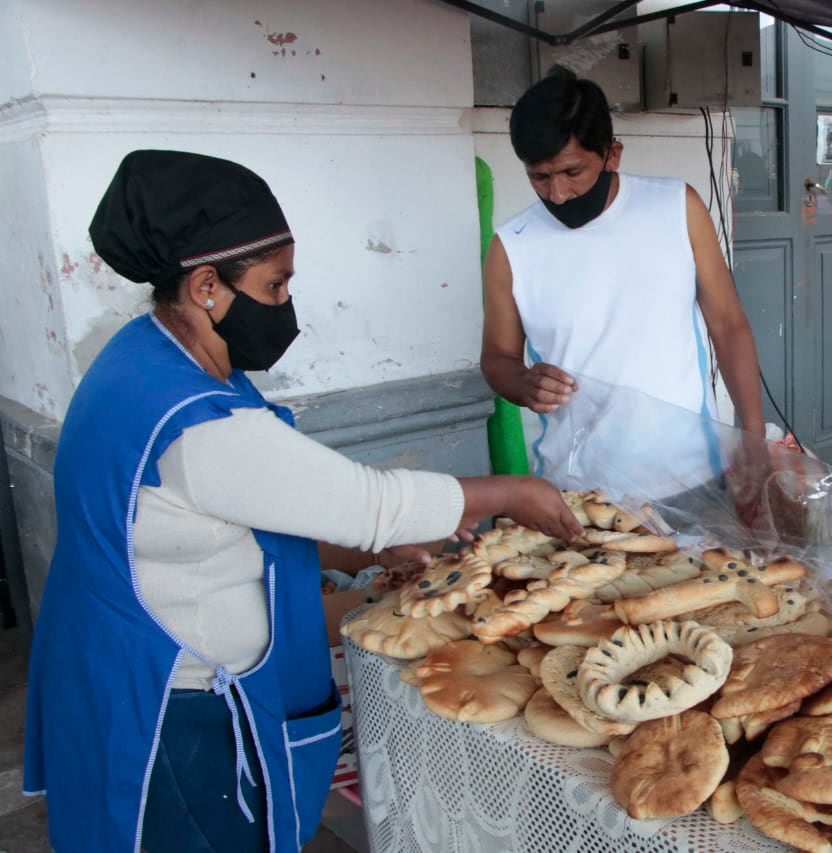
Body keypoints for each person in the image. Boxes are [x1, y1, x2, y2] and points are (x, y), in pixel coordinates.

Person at [22, 149, 582, 853]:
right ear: (205, 286)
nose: (287, 306)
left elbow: (238, 511)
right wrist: (512, 492)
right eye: (275, 285)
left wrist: (372, 547)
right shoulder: (194, 422)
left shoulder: (144, 356)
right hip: (174, 707)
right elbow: (365, 501)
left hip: (112, 665)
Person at [481, 70, 766, 493]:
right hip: (578, 491)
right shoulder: (512, 247)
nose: (558, 194)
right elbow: (497, 359)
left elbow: (728, 325)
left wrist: (753, 436)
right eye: (539, 177)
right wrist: (523, 383)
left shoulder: (675, 208)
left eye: (572, 172)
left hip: (690, 478)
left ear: (612, 154)